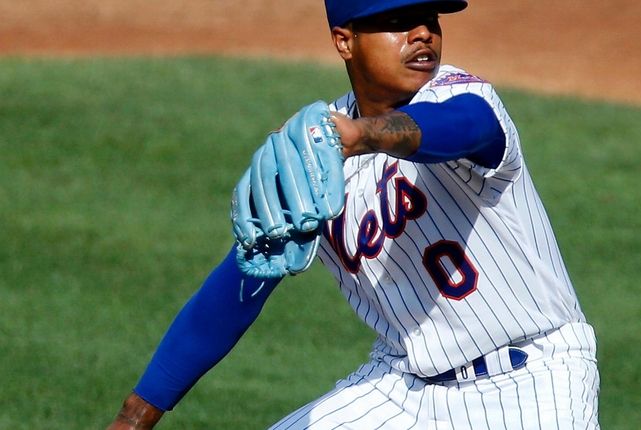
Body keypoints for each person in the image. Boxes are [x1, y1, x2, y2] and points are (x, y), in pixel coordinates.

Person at [108, 0, 601, 428]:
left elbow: (463, 127)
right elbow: (242, 281)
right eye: (396, 20)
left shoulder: (459, 96)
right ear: (344, 41)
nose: (422, 33)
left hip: (532, 380)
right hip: (402, 387)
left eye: (429, 19)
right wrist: (134, 417)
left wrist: (359, 136)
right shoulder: (314, 151)